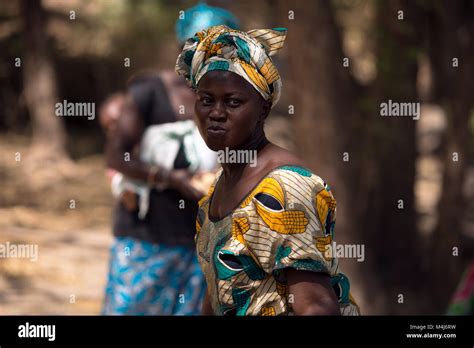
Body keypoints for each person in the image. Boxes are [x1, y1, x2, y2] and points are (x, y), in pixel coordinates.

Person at [175, 25, 360, 315]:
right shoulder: (218, 188)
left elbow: (316, 306)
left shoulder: (285, 187)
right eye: (206, 100)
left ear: (263, 109)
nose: (216, 113)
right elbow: (218, 291)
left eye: (233, 102)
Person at [102, 4, 240, 315]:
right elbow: (117, 154)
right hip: (146, 238)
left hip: (200, 243)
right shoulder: (149, 90)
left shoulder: (231, 98)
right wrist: (172, 179)